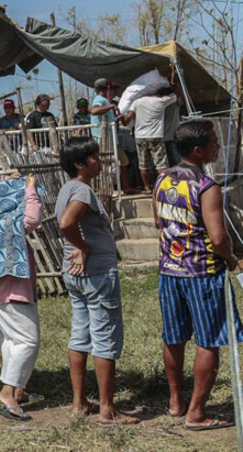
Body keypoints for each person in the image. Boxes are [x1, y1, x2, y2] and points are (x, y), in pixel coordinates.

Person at [154, 119, 242, 430]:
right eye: (214, 142)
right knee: (209, 341)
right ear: (198, 150)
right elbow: (218, 238)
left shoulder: (161, 181)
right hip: (203, 274)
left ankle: (176, 402)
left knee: (174, 337)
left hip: (170, 273)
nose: (218, 146)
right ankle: (196, 412)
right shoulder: (207, 187)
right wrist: (231, 259)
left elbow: (159, 224)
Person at [57, 137, 139, 425]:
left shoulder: (67, 188)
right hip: (96, 274)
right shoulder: (81, 190)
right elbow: (67, 223)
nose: (98, 160)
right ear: (80, 163)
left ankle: (79, 403)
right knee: (104, 337)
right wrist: (85, 247)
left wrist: (79, 246)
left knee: (80, 334)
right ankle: (107, 408)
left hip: (76, 274)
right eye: (92, 156)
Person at [0, 173, 43, 420]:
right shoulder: (7, 223)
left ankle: (16, 387)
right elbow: (32, 218)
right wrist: (30, 189)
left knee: (11, 341)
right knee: (28, 340)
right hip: (13, 291)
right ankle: (7, 390)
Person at [122, 90, 178, 191]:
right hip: (155, 136)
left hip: (140, 137)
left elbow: (127, 119)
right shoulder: (161, 101)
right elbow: (176, 95)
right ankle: (163, 187)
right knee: (161, 164)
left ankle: (147, 188)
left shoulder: (137, 102)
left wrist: (122, 119)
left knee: (143, 164)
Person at [89, 78, 119, 143]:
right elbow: (94, 111)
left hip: (107, 140)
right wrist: (111, 106)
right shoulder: (100, 99)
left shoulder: (104, 100)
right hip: (103, 141)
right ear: (108, 88)